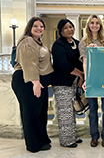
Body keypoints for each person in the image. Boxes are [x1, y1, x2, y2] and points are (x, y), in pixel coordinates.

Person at [11, 17, 54, 152]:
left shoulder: (37, 42)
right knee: (31, 114)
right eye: (35, 26)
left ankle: (41, 140)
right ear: (30, 27)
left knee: (39, 113)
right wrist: (35, 82)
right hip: (27, 81)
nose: (39, 28)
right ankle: (33, 144)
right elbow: (29, 64)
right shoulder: (27, 42)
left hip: (36, 81)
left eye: (41, 26)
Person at [79, 14, 104, 147]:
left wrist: (98, 51)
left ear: (100, 25)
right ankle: (94, 136)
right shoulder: (83, 42)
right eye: (92, 23)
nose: (95, 25)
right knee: (92, 110)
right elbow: (85, 62)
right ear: (88, 25)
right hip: (92, 79)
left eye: (97, 23)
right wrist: (87, 80)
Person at [51, 19, 84, 148]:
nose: (69, 29)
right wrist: (80, 74)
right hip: (62, 83)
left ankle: (72, 136)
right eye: (65, 28)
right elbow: (62, 64)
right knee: (64, 111)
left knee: (72, 110)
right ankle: (66, 141)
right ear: (60, 31)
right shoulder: (58, 44)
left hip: (74, 81)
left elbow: (80, 62)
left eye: (71, 27)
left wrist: (81, 76)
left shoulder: (76, 43)